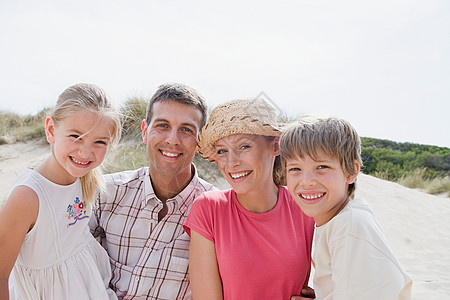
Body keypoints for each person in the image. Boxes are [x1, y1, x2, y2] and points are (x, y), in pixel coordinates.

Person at [89, 83, 216, 299]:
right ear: (145, 131)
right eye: (163, 126)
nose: (172, 140)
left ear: (200, 142)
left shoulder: (215, 211)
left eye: (186, 130)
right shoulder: (105, 193)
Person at [183, 99, 316, 300]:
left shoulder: (305, 207)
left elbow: (346, 282)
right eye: (222, 151)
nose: (232, 162)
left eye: (244, 146)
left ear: (275, 146)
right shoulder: (208, 209)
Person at [0, 83, 121, 299]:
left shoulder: (85, 179)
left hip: (88, 286)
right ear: (51, 130)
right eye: (75, 136)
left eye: (99, 141)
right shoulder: (28, 196)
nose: (85, 151)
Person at [280, 115, 413, 300]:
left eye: (322, 166)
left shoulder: (348, 227)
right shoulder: (335, 221)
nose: (307, 181)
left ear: (351, 171)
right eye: (295, 169)